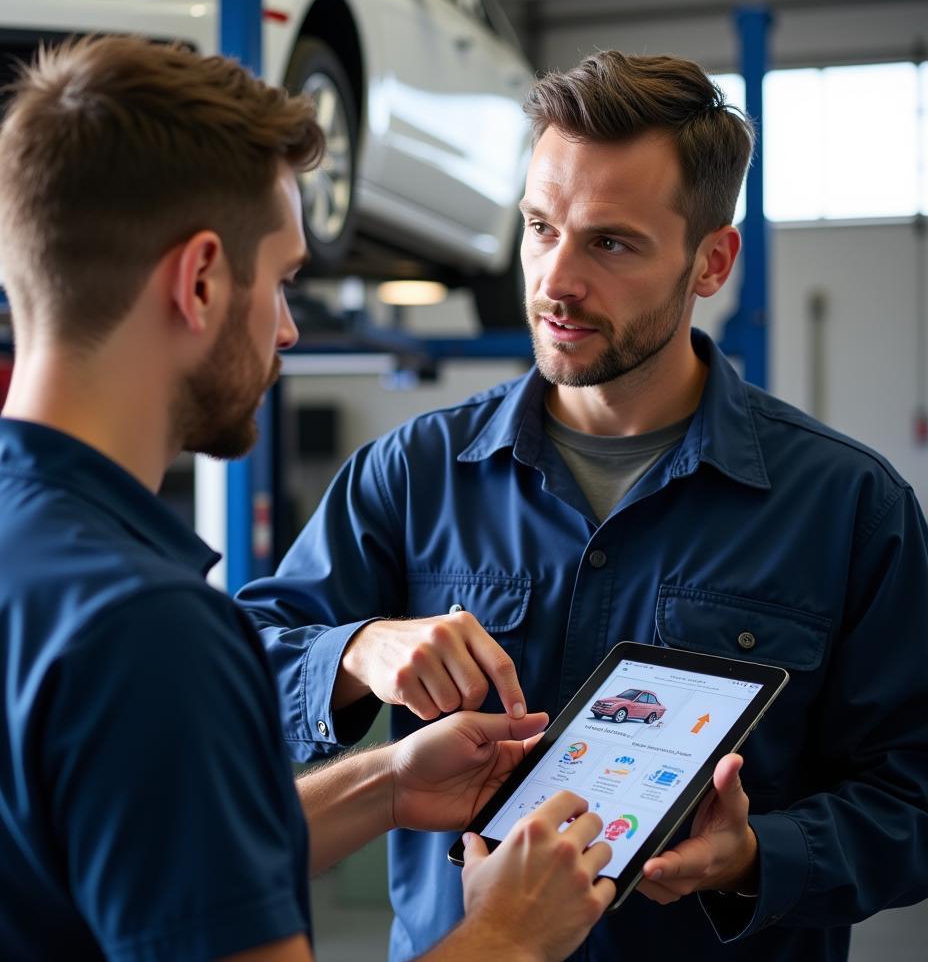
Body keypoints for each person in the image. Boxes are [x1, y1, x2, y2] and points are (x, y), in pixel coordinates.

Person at [0, 36, 617, 962]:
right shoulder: (146, 624)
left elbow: (129, 850)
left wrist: (389, 783)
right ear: (199, 280)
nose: (286, 329)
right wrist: (510, 936)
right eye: (280, 280)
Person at [239, 50, 928, 962]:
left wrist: (758, 855)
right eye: (538, 227)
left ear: (711, 261)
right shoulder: (410, 476)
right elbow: (238, 676)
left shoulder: (848, 507)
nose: (554, 281)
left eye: (609, 243)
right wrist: (358, 649)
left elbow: (914, 793)